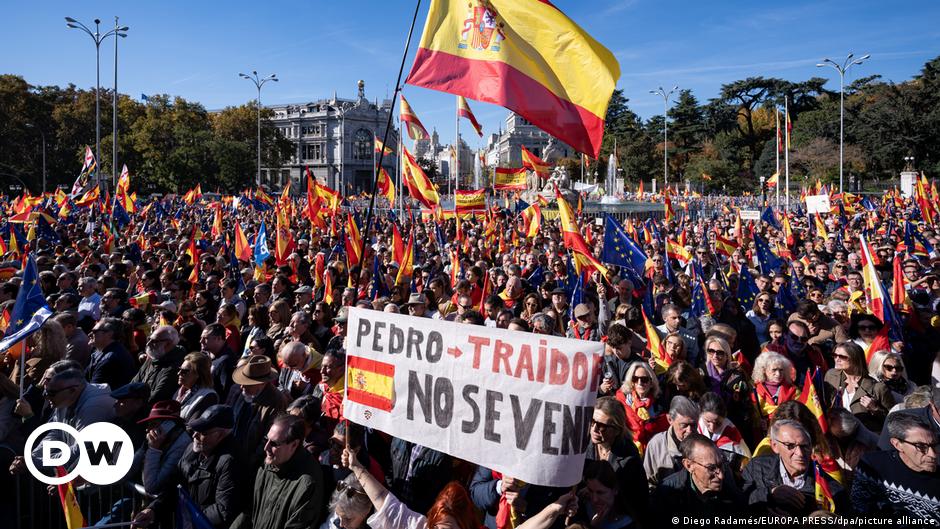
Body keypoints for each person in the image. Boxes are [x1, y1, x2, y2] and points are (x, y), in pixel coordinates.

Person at [132, 405, 240, 528]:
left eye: (202, 432)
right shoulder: (192, 450)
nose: (194, 436)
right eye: (195, 430)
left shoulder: (230, 462)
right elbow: (174, 486)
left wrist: (189, 517)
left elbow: (222, 511)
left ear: (220, 435)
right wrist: (153, 510)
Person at [9, 361, 115, 477]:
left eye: (51, 392)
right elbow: (55, 433)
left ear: (72, 390)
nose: (45, 394)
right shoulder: (65, 398)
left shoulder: (94, 406)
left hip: (99, 480)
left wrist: (36, 462)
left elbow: (79, 451)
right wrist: (33, 457)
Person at [232, 414, 325, 529]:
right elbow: (250, 508)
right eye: (267, 439)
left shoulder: (308, 484)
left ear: (294, 444)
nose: (266, 448)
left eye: (274, 443)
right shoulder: (267, 464)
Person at [742, 420, 846, 515]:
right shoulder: (756, 468)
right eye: (790, 446)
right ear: (774, 446)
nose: (800, 453)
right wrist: (769, 494)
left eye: (804, 446)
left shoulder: (831, 490)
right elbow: (740, 500)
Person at [852, 413, 940, 522]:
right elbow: (860, 510)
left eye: (934, 445)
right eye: (921, 446)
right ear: (897, 444)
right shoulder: (871, 466)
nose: (933, 454)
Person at [585, 396, 649, 525]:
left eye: (602, 426)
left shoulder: (628, 456)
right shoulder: (583, 444)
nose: (595, 429)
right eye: (592, 421)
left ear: (617, 430)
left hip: (619, 518)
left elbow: (638, 499)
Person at [651, 433, 743, 520]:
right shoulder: (667, 494)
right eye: (711, 468)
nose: (721, 476)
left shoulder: (730, 485)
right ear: (689, 465)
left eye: (721, 465)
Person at [824, 341, 894, 432]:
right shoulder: (831, 375)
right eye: (835, 355)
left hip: (864, 437)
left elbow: (893, 420)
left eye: (842, 357)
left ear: (855, 359)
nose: (837, 359)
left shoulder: (878, 387)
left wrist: (875, 409)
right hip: (835, 433)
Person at [643, 395, 701, 489]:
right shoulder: (656, 445)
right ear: (670, 419)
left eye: (693, 425)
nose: (689, 430)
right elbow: (648, 483)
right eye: (684, 425)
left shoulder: (704, 446)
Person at [615, 361, 669, 453]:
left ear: (651, 382)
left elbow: (663, 430)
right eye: (635, 379)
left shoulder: (660, 404)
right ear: (632, 382)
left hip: (653, 450)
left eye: (644, 379)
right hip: (627, 449)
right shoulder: (623, 402)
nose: (640, 383)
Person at [131, 325, 185, 404]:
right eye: (149, 339)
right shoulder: (154, 357)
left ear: (168, 344)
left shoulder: (175, 367)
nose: (148, 344)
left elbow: (156, 399)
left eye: (154, 341)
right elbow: (133, 384)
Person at [751, 351, 800, 429]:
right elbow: (752, 416)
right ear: (764, 370)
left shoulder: (793, 390)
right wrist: (758, 422)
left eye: (781, 370)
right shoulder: (755, 391)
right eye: (774, 370)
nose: (778, 374)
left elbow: (799, 414)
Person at [86, 317, 137, 390]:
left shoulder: (111, 358)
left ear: (109, 334)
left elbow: (95, 389)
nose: (89, 334)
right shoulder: (98, 351)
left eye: (94, 331)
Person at [174, 352, 219, 423]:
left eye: (184, 371)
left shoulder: (208, 396)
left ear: (198, 374)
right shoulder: (181, 391)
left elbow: (193, 427)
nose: (179, 373)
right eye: (179, 369)